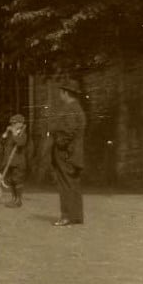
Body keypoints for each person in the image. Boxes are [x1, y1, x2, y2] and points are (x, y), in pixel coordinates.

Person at [50, 79, 86, 226]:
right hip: (75, 153)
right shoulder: (78, 108)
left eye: (61, 91)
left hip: (66, 153)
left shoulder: (70, 109)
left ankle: (66, 216)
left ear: (66, 93)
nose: (60, 94)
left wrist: (59, 143)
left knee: (65, 184)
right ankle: (76, 216)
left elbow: (68, 132)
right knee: (73, 183)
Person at [0, 114, 28, 208]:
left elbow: (20, 143)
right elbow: (2, 142)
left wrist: (14, 133)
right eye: (12, 123)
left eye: (14, 123)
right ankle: (13, 199)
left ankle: (18, 200)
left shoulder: (22, 133)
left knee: (17, 180)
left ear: (20, 124)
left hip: (18, 162)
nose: (12, 125)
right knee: (11, 180)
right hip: (10, 161)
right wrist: (6, 133)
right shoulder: (11, 134)